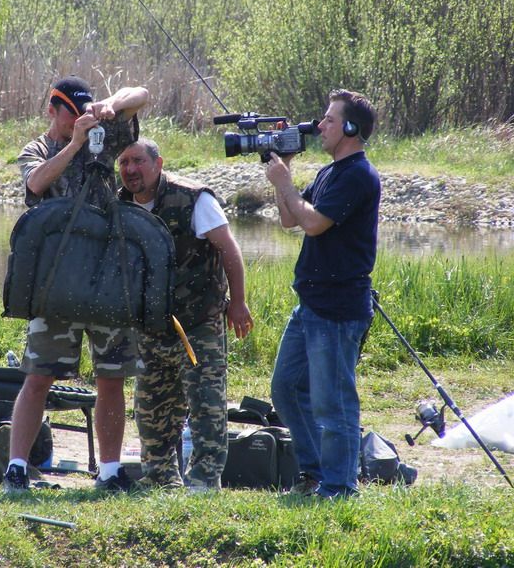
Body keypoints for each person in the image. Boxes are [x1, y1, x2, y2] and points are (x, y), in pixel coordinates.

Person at [3, 76, 149, 492]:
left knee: (112, 376)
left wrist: (109, 104)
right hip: (57, 282)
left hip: (107, 276)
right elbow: (35, 184)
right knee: (39, 375)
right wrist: (74, 145)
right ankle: (17, 467)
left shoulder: (101, 133)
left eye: (81, 112)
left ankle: (110, 471)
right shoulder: (38, 149)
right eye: (71, 113)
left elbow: (142, 95)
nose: (77, 120)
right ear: (52, 111)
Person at [117, 138, 253, 491]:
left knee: (206, 405)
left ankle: (204, 482)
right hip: (150, 325)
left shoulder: (193, 198)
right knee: (152, 409)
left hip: (198, 322)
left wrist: (238, 302)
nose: (130, 170)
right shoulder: (120, 204)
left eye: (138, 161)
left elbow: (229, 249)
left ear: (158, 164)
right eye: (124, 163)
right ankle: (160, 480)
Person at [264, 89, 380, 499]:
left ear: (350, 127)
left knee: (334, 403)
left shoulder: (358, 175)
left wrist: (286, 183)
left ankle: (340, 486)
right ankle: (315, 474)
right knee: (286, 388)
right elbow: (288, 219)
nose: (320, 126)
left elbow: (314, 224)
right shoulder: (331, 172)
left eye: (329, 119)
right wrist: (285, 172)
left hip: (338, 307)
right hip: (311, 303)